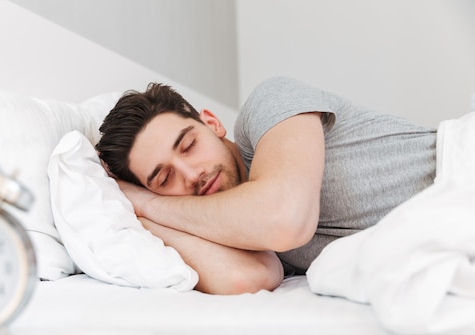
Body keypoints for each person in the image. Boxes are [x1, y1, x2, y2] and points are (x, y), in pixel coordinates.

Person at [95, 77, 437, 295]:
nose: (191, 174)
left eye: (188, 145)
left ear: (212, 123)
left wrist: (150, 204)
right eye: (165, 179)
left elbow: (283, 219)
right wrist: (140, 212)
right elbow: (245, 279)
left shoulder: (266, 106)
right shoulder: (221, 225)